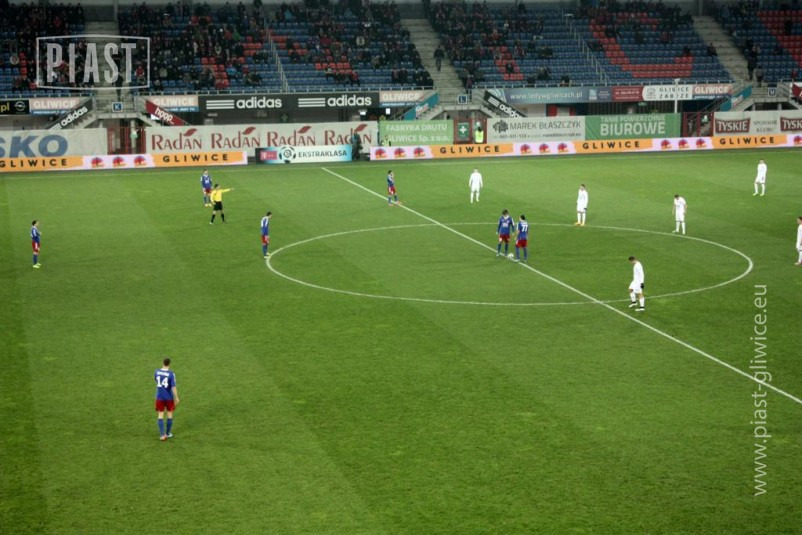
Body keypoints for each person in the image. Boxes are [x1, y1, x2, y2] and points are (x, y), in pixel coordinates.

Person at [154, 357, 179, 441]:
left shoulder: (156, 372)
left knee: (160, 415)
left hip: (159, 397)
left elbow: (156, 381)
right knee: (169, 414)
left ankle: (162, 435)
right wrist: (176, 397)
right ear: (169, 364)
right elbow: (173, 387)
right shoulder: (171, 374)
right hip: (169, 398)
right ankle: (167, 433)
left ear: (163, 363)